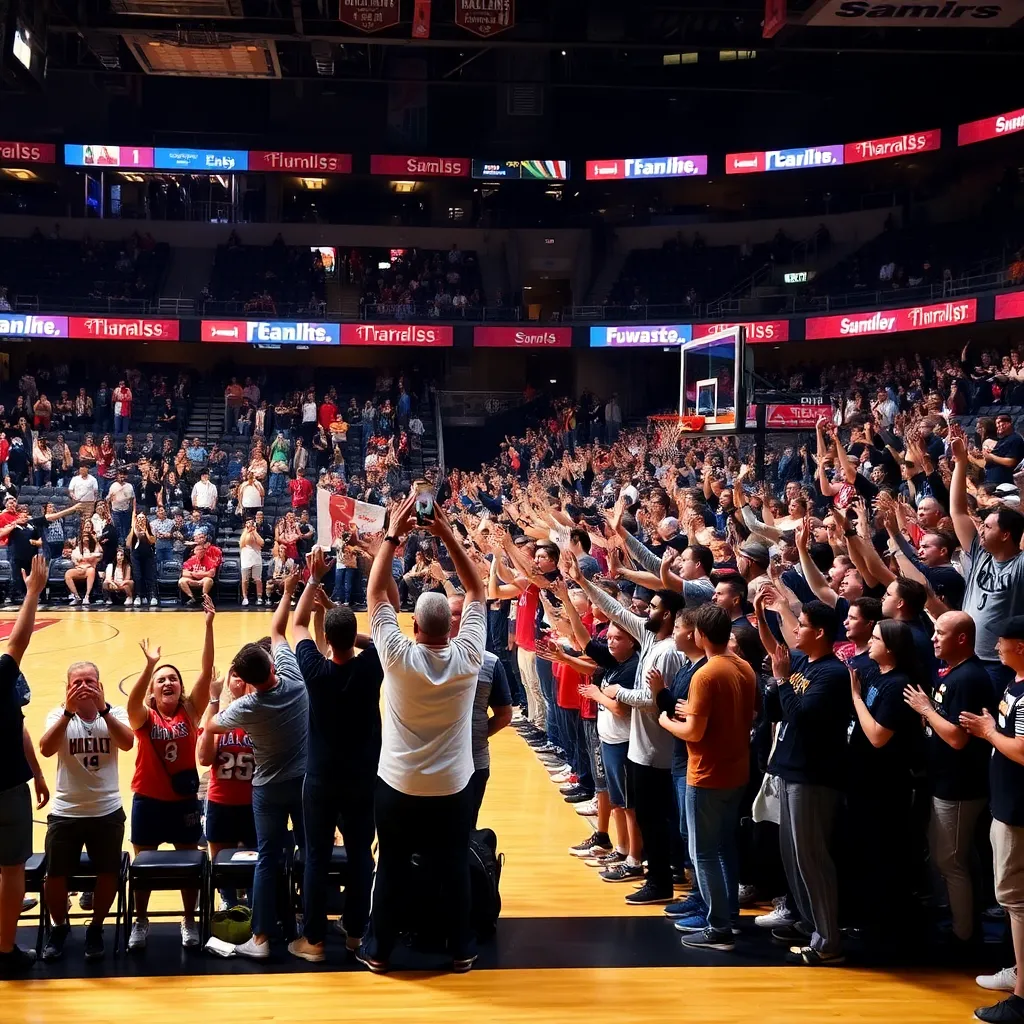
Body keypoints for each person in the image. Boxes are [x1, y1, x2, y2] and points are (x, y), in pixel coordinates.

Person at [358, 493, 486, 974]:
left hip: (398, 784)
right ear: (451, 628)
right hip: (453, 785)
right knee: (453, 865)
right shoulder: (468, 656)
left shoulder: (397, 655)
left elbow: (374, 596)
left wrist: (393, 534)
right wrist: (446, 533)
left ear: (412, 624)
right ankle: (461, 949)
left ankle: (379, 951)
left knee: (390, 866)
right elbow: (475, 593)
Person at [203, 572, 309, 961]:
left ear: (243, 680)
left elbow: (212, 725)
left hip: (266, 787)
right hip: (301, 782)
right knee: (307, 852)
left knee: (267, 857)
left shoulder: (246, 707)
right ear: (270, 663)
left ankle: (260, 939)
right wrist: (290, 590)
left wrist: (222, 700)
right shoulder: (296, 680)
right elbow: (280, 627)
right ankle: (306, 930)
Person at [288, 550, 382, 963]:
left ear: (327, 636)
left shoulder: (315, 670)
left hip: (322, 777)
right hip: (364, 777)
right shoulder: (372, 668)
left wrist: (313, 582)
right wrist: (338, 617)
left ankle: (313, 940)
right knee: (362, 854)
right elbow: (380, 635)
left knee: (316, 855)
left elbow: (295, 625)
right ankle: (356, 935)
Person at [656, 602, 756, 952]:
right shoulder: (743, 666)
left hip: (707, 772)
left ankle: (718, 928)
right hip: (737, 768)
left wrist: (667, 720)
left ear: (699, 635)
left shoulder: (706, 673)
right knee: (725, 847)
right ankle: (728, 916)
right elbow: (746, 713)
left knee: (704, 853)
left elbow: (694, 733)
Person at [756, 595, 850, 967]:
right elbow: (779, 707)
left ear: (820, 632)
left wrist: (781, 681)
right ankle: (810, 923)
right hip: (790, 769)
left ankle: (829, 941)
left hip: (815, 776)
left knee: (813, 859)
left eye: (802, 624)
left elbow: (803, 719)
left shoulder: (831, 673)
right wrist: (763, 618)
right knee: (793, 857)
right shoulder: (803, 665)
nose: (796, 629)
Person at [124, 599, 215, 950]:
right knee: (142, 866)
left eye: (173, 679)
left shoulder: (190, 712)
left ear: (180, 687)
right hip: (147, 800)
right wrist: (150, 666)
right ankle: (140, 921)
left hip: (182, 802)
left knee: (188, 864)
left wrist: (208, 625)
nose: (168, 683)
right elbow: (132, 704)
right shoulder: (145, 718)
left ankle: (189, 920)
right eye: (162, 680)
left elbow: (206, 674)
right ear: (153, 690)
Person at [904, 611, 992, 944]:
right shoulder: (954, 674)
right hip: (945, 780)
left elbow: (957, 737)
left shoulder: (968, 679)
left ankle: (963, 935)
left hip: (960, 785)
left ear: (961, 639)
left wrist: (925, 710)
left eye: (940, 633)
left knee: (950, 859)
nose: (932, 638)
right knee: (957, 856)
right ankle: (964, 924)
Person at [37, 661, 134, 961]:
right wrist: (67, 712)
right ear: (66, 688)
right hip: (67, 810)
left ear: (100, 684)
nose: (84, 687)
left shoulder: (114, 713)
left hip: (106, 809)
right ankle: (59, 926)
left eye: (89, 681)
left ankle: (96, 927)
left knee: (108, 873)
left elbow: (128, 743)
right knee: (54, 875)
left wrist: (103, 708)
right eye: (77, 682)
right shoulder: (58, 715)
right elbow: (46, 748)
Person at [962, 616, 1024, 1024]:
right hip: (1006, 804)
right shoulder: (1013, 682)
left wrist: (987, 731)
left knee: (1017, 900)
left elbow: (1022, 750)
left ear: (1019, 645)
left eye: (1002, 641)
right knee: (1012, 899)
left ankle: (1022, 997)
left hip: (1018, 811)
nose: (996, 647)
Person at [0, 556, 49, 975]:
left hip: (14, 779)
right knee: (13, 867)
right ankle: (5, 949)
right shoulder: (1, 674)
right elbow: (18, 639)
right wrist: (32, 591)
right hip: (7, 786)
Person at [949, 424, 1024, 694]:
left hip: (999, 662)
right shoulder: (981, 554)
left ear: (1006, 535)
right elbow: (957, 511)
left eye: (988, 526)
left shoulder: (1020, 565)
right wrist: (960, 462)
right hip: (966, 656)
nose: (981, 528)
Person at [449, 593, 513, 826]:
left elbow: (504, 715)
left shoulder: (490, 663)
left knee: (466, 829)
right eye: (449, 613)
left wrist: (475, 734)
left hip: (473, 762)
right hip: (433, 763)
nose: (451, 619)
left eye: (457, 614)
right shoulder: (422, 656)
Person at [196, 670, 256, 912]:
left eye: (246, 675)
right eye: (235, 675)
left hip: (254, 804)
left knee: (255, 863)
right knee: (222, 864)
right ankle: (228, 904)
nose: (240, 680)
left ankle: (254, 907)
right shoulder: (219, 718)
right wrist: (213, 699)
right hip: (221, 802)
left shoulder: (262, 719)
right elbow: (203, 757)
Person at [65, 522, 102, 606]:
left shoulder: (94, 547)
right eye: (84, 537)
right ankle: (76, 597)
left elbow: (99, 555)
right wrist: (83, 561)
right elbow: (76, 559)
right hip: (80, 569)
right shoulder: (78, 548)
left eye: (87, 537)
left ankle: (87, 596)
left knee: (91, 571)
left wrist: (95, 541)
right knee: (68, 574)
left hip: (89, 569)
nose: (86, 539)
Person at [126, 511, 158, 607]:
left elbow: (152, 541)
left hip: (148, 555)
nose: (141, 519)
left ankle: (152, 596)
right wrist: (133, 529)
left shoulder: (150, 528)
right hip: (136, 555)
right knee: (138, 576)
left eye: (143, 518)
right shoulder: (133, 530)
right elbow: (128, 544)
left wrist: (146, 531)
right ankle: (139, 596)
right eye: (139, 518)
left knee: (150, 576)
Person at [178, 537, 221, 605]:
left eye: (202, 550)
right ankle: (192, 597)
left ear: (204, 551)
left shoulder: (210, 560)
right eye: (198, 550)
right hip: (192, 579)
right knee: (181, 581)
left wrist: (201, 574)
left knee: (209, 580)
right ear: (194, 551)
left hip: (203, 580)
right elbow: (183, 572)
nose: (200, 551)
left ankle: (204, 597)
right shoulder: (191, 560)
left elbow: (212, 573)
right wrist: (193, 574)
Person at [239, 517, 265, 607]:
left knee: (257, 579)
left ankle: (259, 597)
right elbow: (241, 544)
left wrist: (254, 531)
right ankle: (245, 598)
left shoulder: (256, 532)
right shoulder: (244, 533)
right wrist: (247, 530)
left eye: (251, 522)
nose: (250, 524)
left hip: (256, 558)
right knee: (245, 580)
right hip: (246, 558)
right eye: (248, 522)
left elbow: (261, 543)